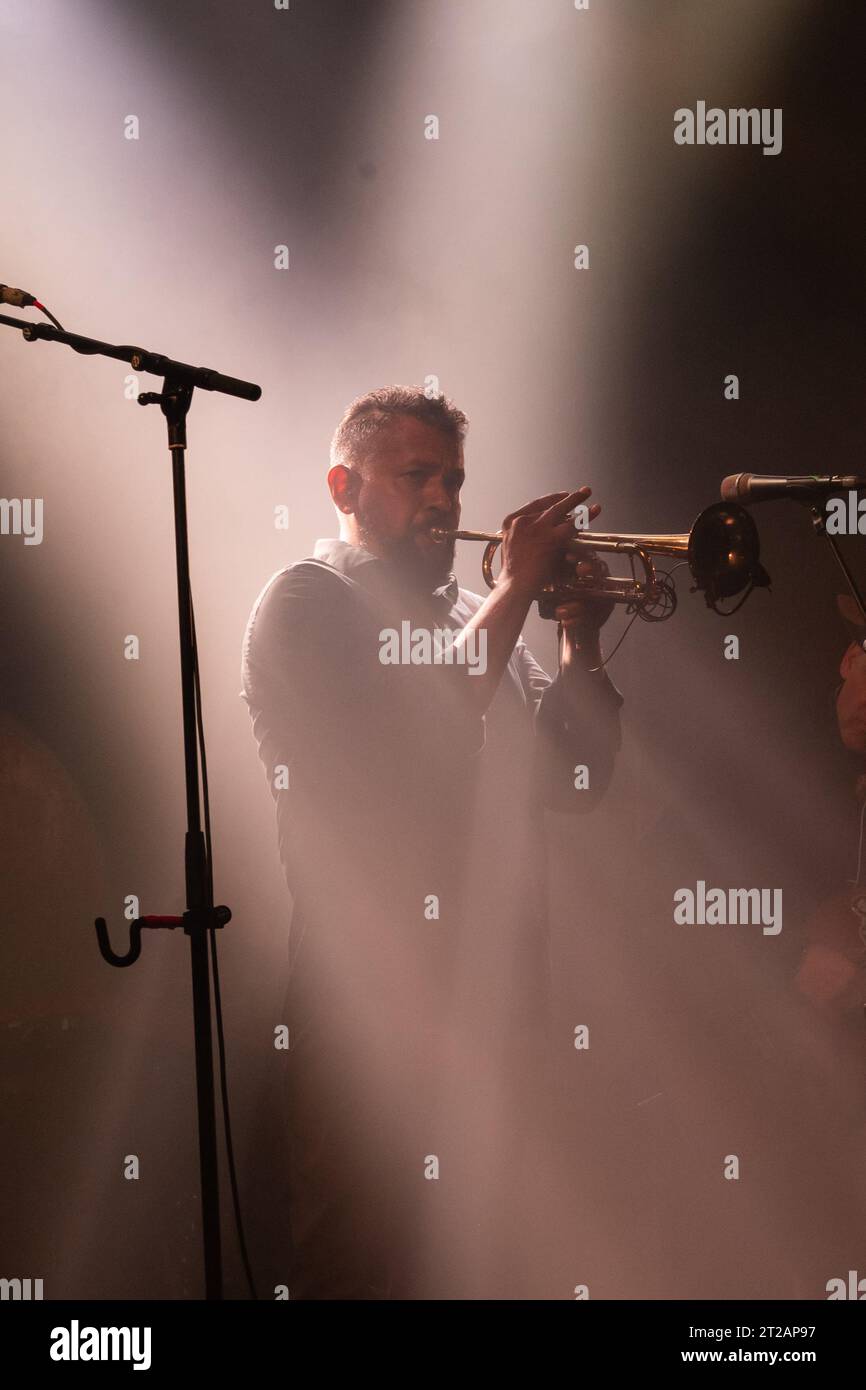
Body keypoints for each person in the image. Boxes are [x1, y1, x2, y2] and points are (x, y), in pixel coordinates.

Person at [241, 385, 623, 1298]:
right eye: (417, 477)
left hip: (497, 995)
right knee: (365, 1264)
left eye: (453, 480)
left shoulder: (472, 616)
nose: (446, 501)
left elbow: (576, 782)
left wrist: (577, 637)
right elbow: (425, 729)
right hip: (367, 1003)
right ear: (344, 486)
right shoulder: (307, 599)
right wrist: (521, 588)